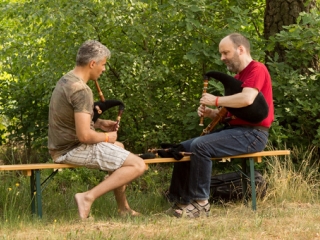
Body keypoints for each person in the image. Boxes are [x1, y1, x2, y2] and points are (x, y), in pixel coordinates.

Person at [166, 33, 274, 218]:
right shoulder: (238, 76)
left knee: (201, 145)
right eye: (221, 53)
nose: (222, 58)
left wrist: (216, 100)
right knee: (183, 148)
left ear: (240, 50)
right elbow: (232, 114)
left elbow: (247, 99)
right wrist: (212, 113)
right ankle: (182, 201)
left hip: (253, 134)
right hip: (237, 131)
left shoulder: (257, 69)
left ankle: (201, 205)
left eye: (225, 53)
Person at [48, 40, 145, 219]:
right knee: (138, 165)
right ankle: (87, 197)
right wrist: (108, 136)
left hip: (59, 146)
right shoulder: (81, 90)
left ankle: (123, 208)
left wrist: (99, 124)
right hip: (70, 149)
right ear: (92, 63)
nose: (104, 69)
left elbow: (70, 120)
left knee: (120, 147)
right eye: (103, 64)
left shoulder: (66, 80)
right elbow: (84, 135)